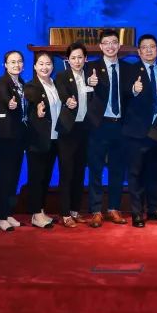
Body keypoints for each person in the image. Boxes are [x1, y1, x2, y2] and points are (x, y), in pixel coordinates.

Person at [82, 29, 130, 227]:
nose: (110, 46)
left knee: (117, 169)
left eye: (114, 42)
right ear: (100, 46)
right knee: (95, 168)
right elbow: (82, 89)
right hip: (99, 125)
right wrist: (89, 82)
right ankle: (95, 210)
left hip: (121, 126)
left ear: (119, 45)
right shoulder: (90, 67)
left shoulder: (128, 68)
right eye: (106, 43)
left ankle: (113, 208)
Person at [23, 51, 75, 229]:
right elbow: (32, 100)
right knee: (36, 178)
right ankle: (35, 214)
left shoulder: (55, 83)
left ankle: (41, 210)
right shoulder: (31, 86)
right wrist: (37, 110)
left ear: (53, 66)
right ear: (35, 66)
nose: (45, 67)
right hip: (38, 139)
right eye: (41, 64)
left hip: (55, 138)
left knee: (45, 177)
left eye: (48, 64)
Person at [123, 34, 157, 227]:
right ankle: (137, 212)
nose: (149, 50)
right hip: (136, 132)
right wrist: (133, 89)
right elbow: (122, 95)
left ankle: (154, 208)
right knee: (136, 173)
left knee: (155, 172)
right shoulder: (129, 70)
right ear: (139, 52)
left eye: (152, 46)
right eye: (144, 47)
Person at [0, 50, 29, 231]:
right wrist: (10, 103)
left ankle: (8, 213)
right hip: (5, 137)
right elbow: (5, 99)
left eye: (19, 61)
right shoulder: (2, 82)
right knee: (5, 176)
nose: (17, 65)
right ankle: (0, 216)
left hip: (19, 136)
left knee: (14, 175)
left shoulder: (22, 83)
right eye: (12, 62)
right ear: (5, 65)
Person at [58, 43, 92, 226]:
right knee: (67, 172)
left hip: (85, 129)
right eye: (73, 58)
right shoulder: (62, 76)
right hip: (68, 130)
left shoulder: (91, 76)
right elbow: (63, 94)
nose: (77, 61)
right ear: (67, 60)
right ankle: (64, 213)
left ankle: (74, 210)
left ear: (86, 59)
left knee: (79, 171)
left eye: (80, 57)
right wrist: (67, 100)